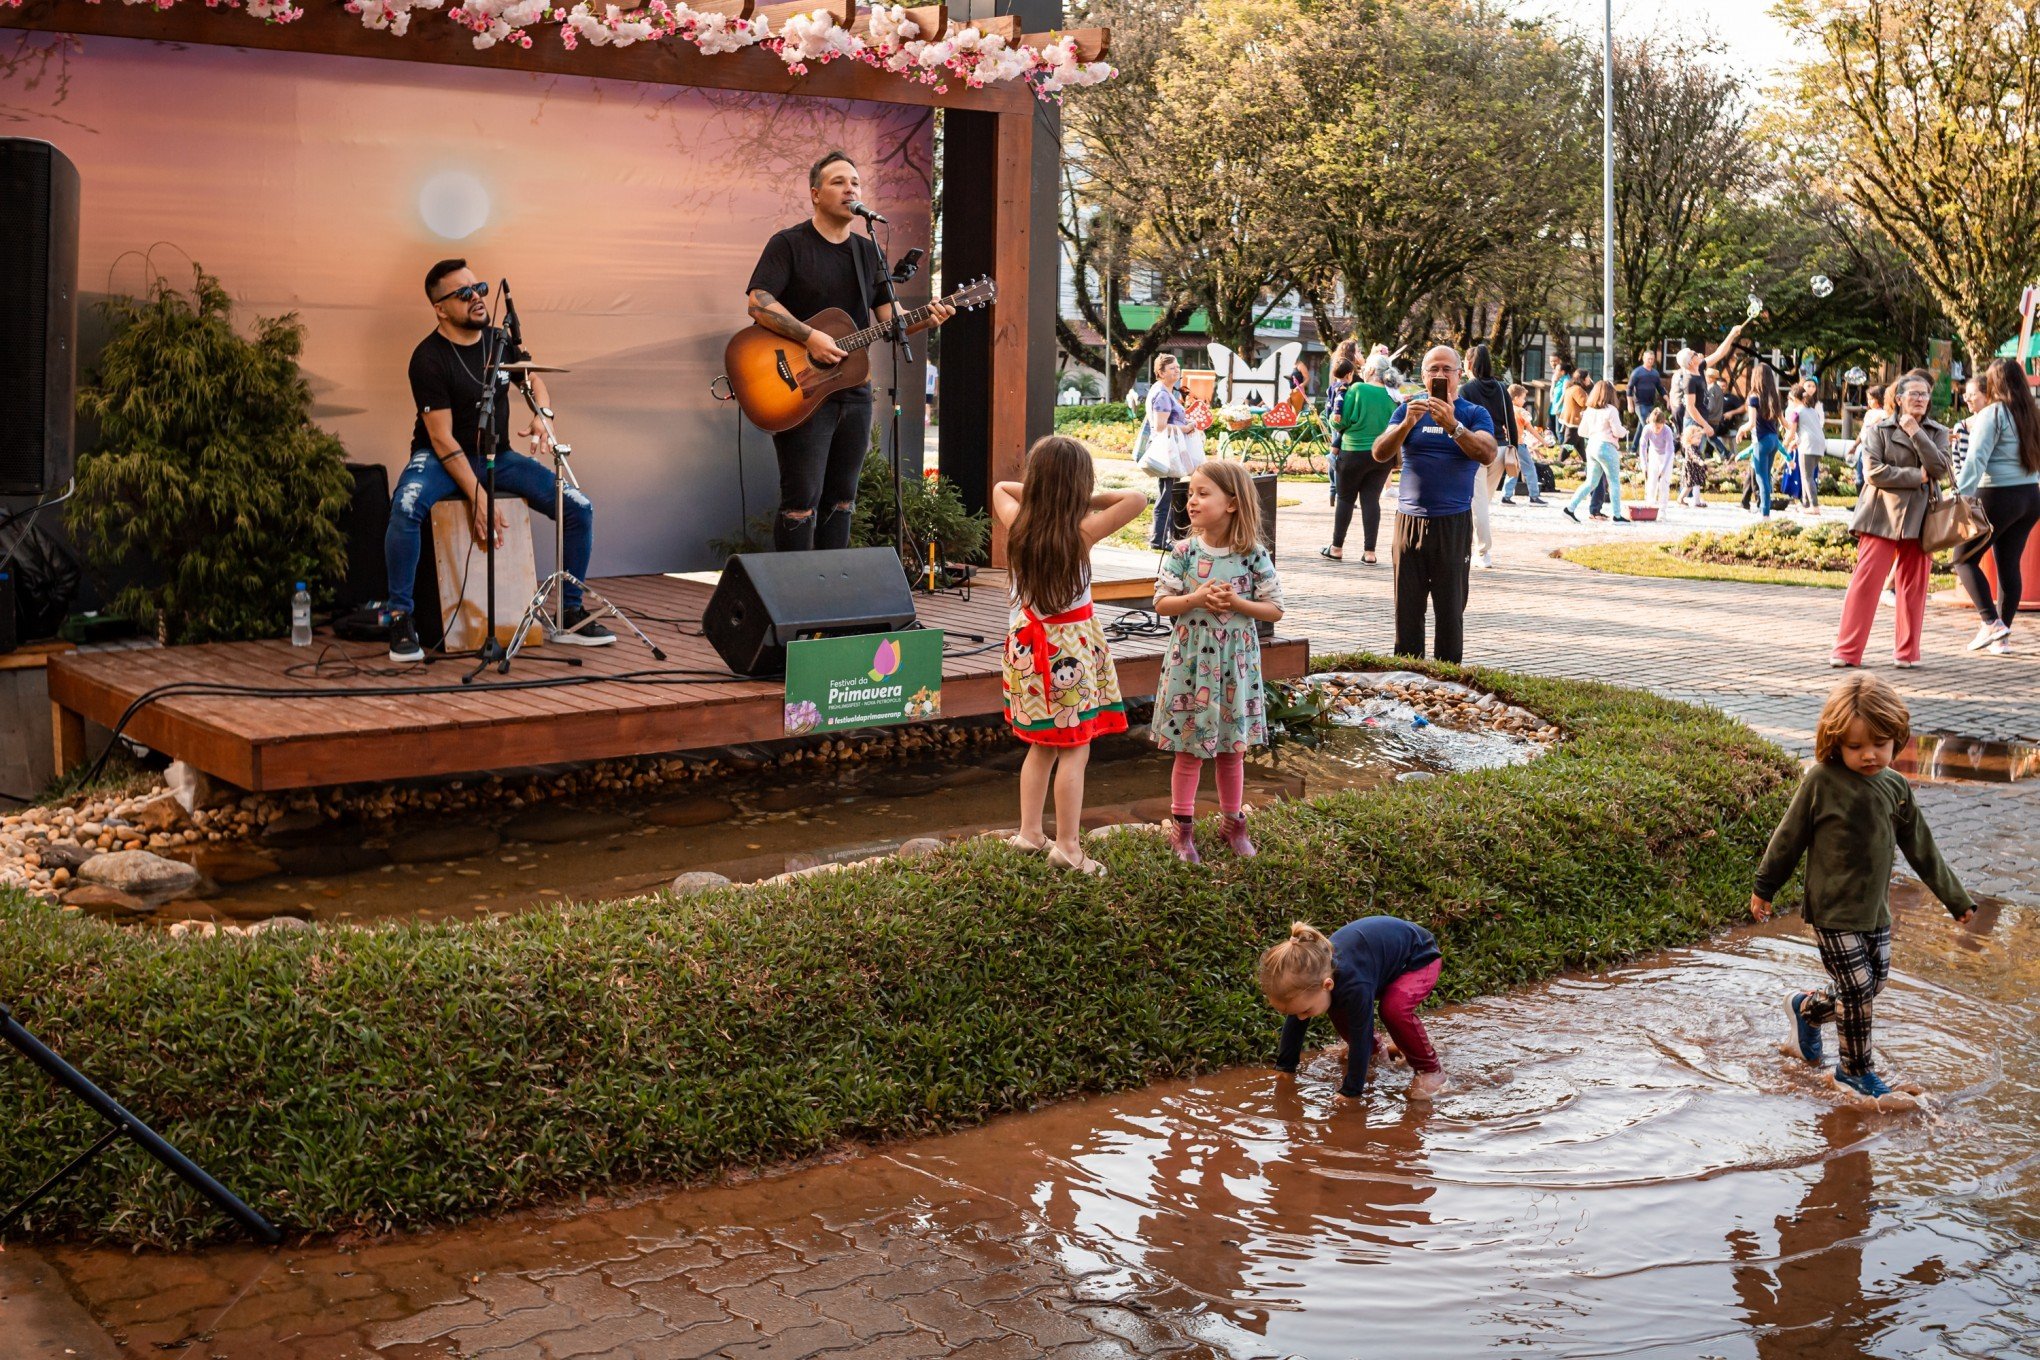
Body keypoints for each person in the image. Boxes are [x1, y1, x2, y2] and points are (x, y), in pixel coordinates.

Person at [1750, 675, 1975, 1103]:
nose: (1869, 755)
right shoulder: (1821, 781)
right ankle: (1854, 1071)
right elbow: (1788, 838)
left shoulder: (1895, 787)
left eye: (1879, 744)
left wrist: (1956, 899)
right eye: (1855, 747)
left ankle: (1806, 1010)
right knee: (1856, 990)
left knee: (1871, 986)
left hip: (1875, 912)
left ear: (1897, 738)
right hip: (1832, 910)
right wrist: (1765, 887)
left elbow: (1921, 846)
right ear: (1835, 742)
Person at [385, 258, 610, 664]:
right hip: (441, 456)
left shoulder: (499, 340)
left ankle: (571, 611)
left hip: (499, 456)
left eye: (480, 288)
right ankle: (401, 617)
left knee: (578, 508)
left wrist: (543, 414)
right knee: (404, 508)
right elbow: (440, 437)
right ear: (440, 307)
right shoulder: (428, 358)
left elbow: (534, 378)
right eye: (464, 293)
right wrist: (478, 495)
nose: (477, 298)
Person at [744, 151, 955, 552]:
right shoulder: (789, 243)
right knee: (801, 501)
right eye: (839, 181)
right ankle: (794, 598)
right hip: (799, 388)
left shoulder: (866, 250)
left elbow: (890, 317)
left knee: (842, 501)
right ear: (815, 194)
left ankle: (831, 595)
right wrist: (809, 337)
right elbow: (758, 301)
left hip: (854, 390)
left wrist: (926, 318)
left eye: (855, 182)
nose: (850, 188)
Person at [992, 437, 1146, 876]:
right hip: (1068, 652)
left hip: (1024, 648)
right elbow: (1136, 497)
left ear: (1036, 481)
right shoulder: (1083, 530)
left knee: (1042, 744)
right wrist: (1085, 498)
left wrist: (1042, 493)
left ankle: (1028, 832)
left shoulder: (1018, 521)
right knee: (1075, 750)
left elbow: (1002, 486)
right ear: (1079, 486)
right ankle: (1068, 845)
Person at [1152, 461, 1286, 863]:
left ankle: (1233, 822)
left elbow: (1275, 609)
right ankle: (1183, 828)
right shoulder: (1183, 551)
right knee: (1188, 750)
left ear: (1232, 502)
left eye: (1203, 493)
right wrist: (1195, 599)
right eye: (1191, 493)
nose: (1192, 501)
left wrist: (1237, 603)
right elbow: (1161, 602)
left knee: (1232, 750)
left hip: (1235, 666)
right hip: (1191, 666)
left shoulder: (1252, 555)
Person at [1371, 345, 1498, 663]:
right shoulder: (1406, 410)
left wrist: (1454, 427)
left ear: (1458, 374)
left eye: (1447, 369)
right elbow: (1379, 453)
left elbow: (1488, 452)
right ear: (1423, 375)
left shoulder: (1472, 413)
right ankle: (1407, 680)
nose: (1440, 375)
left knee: (1450, 611)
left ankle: (1447, 682)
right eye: (1433, 369)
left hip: (1452, 523)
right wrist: (1404, 427)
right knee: (1407, 610)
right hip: (1408, 522)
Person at [1830, 373, 1949, 669]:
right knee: (1865, 584)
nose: (1921, 399)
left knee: (1914, 586)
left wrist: (1916, 433)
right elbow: (1873, 472)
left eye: (1925, 394)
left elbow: (1940, 468)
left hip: (1921, 518)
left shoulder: (1936, 432)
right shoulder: (1878, 429)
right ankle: (1847, 651)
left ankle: (1906, 653)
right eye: (1914, 394)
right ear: (1898, 399)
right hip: (1879, 515)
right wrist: (1916, 476)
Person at [1262, 918, 1448, 1101]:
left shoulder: (1354, 985)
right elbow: (1297, 1021)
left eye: (1305, 1010)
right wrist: (1285, 1067)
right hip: (1376, 965)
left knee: (1393, 1010)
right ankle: (1378, 1051)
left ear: (1327, 984)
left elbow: (1361, 1035)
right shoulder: (1311, 983)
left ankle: (1430, 1069)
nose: (1301, 1018)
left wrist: (1350, 1092)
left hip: (1418, 958)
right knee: (1337, 1007)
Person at [1951, 356, 2040, 656]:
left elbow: (1976, 458)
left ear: (1996, 383)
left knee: (1962, 559)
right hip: (2030, 496)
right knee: (2008, 565)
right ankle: (2002, 638)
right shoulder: (2032, 413)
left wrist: (1960, 496)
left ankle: (1991, 622)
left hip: (1998, 494)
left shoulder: (1994, 413)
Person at [1324, 355, 1399, 563]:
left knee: (1346, 499)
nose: (1363, 370)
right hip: (1381, 455)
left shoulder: (1357, 389)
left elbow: (1341, 422)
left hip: (1352, 451)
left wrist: (1331, 417)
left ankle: (1337, 547)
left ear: (1373, 371)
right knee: (1371, 501)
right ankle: (1370, 552)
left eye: (1366, 368)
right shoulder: (1393, 395)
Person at [1460, 343, 1518, 569]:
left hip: (1477, 450)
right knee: (1483, 502)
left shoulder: (1467, 390)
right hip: (1501, 450)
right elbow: (1510, 421)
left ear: (1470, 364)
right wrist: (1515, 446)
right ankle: (1476, 549)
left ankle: (1483, 552)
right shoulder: (1502, 388)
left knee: (1478, 504)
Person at [1145, 354, 1202, 550]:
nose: (1176, 371)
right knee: (1167, 495)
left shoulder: (1164, 391)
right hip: (1168, 449)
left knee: (1167, 492)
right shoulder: (1162, 394)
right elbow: (1160, 426)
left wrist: (1184, 424)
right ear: (1160, 372)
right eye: (1171, 368)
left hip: (1171, 448)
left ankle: (1163, 537)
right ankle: (1159, 539)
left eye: (1178, 367)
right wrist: (1184, 428)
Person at [1562, 380, 1630, 524]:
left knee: (1590, 482)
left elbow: (1581, 431)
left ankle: (1570, 508)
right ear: (1610, 394)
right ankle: (1617, 516)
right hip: (1606, 447)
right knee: (1614, 482)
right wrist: (1624, 431)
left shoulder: (1589, 410)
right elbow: (1618, 431)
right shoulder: (1611, 410)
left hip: (1592, 447)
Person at [1740, 362, 1785, 518]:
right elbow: (1785, 423)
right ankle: (1763, 509)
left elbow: (1751, 423)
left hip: (1761, 442)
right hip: (1774, 441)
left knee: (1762, 479)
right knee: (1766, 476)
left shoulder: (1754, 397)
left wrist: (1741, 430)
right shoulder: (1775, 397)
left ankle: (1765, 513)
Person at [1500, 383, 1547, 504]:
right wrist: (1543, 441)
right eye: (1523, 398)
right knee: (1530, 469)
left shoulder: (1505, 409)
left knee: (1512, 469)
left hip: (1507, 444)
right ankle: (1534, 496)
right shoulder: (1521, 411)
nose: (1525, 400)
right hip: (1519, 444)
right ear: (1516, 398)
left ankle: (1506, 495)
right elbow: (1531, 429)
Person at [1787, 381, 1828, 513]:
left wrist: (1784, 445)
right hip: (1819, 444)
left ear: (1794, 398)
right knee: (1808, 475)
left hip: (1808, 446)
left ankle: (1814, 506)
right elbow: (1808, 429)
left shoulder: (1796, 411)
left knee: (1806, 477)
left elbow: (1792, 432)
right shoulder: (1811, 410)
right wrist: (1795, 442)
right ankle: (1805, 504)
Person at [1639, 406, 1677, 510]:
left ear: (1663, 424)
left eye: (1659, 427)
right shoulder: (1647, 429)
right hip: (1654, 454)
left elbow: (1670, 450)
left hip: (1666, 456)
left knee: (1664, 483)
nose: (1656, 430)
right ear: (1649, 423)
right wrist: (1644, 465)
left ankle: (1662, 509)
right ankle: (1650, 506)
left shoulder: (1667, 431)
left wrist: (1663, 468)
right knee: (1651, 481)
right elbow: (1642, 447)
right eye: (1654, 427)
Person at [1627, 350, 1665, 443]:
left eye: (1652, 359)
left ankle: (1633, 449)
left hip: (1650, 403)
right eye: (1648, 359)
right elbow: (1629, 388)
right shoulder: (1637, 372)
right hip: (1640, 404)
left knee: (1641, 428)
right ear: (1644, 359)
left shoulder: (1655, 373)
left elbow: (1660, 387)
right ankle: (1652, 447)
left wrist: (1667, 399)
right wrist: (1630, 404)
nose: (1650, 361)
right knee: (1649, 426)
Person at [1559, 367, 1590, 454]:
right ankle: (1560, 460)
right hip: (1574, 421)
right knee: (1569, 444)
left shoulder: (1573, 387)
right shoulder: (1578, 389)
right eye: (1587, 377)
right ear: (1582, 379)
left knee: (1579, 444)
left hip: (1573, 420)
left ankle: (1585, 460)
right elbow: (1584, 403)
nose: (1589, 379)